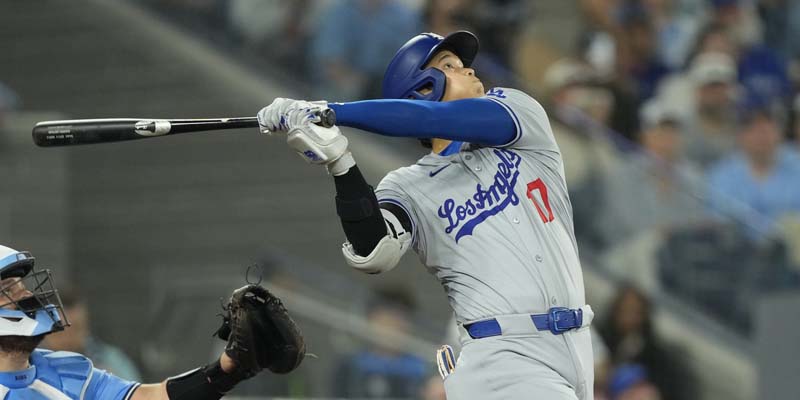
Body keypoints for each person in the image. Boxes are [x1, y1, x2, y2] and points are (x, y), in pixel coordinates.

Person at [258, 30, 594, 399]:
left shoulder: (520, 118)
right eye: (449, 65)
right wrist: (340, 163)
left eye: (463, 63)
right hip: (503, 358)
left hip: (577, 342)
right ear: (421, 88)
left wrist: (331, 111)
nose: (467, 70)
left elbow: (430, 117)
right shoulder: (408, 186)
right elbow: (373, 250)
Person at [0, 244, 304, 399]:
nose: (26, 296)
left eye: (21, 285)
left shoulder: (69, 370)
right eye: (7, 291)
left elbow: (149, 398)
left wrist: (228, 369)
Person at [332, 287, 427, 398]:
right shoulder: (350, 367)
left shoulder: (422, 370)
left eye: (399, 320)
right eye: (386, 321)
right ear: (370, 321)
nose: (392, 328)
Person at [41, 285, 142, 381]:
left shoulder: (111, 362)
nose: (68, 340)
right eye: (60, 332)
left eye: (76, 329)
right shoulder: (30, 366)